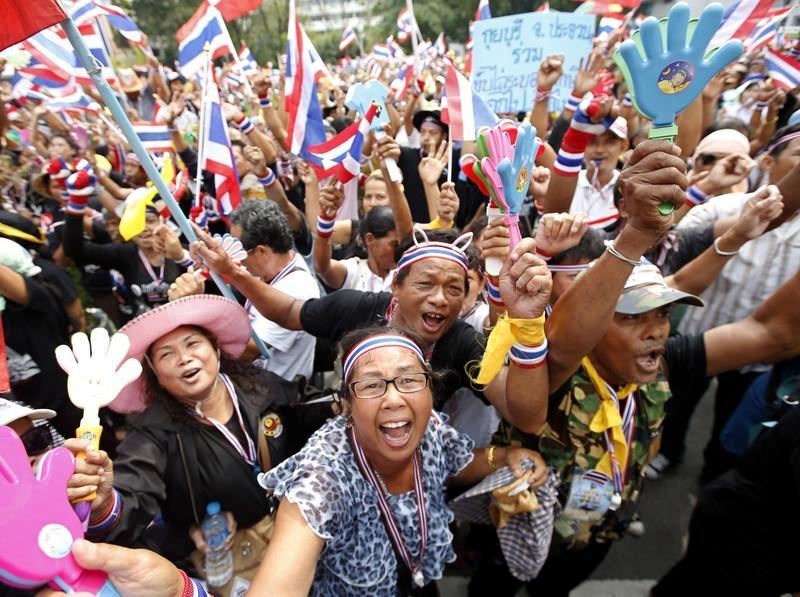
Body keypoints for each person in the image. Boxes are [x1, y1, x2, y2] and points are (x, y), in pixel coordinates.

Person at [470, 140, 800, 596]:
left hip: (595, 534)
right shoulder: (553, 364)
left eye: (663, 315)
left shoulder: (665, 364)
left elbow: (771, 333)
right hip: (517, 524)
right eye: (631, 317)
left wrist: (737, 237)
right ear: (594, 320)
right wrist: (634, 236)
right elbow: (565, 342)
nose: (655, 332)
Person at [251, 327, 549, 595]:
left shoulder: (430, 428)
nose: (394, 399)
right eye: (371, 385)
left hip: (417, 580)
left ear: (430, 390)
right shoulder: (324, 478)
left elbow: (448, 462)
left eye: (409, 380)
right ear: (346, 405)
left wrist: (504, 456)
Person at [189, 223, 554, 437]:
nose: (441, 299)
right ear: (396, 287)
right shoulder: (359, 307)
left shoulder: (461, 341)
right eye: (426, 285)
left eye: (454, 289)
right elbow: (289, 311)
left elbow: (526, 416)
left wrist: (529, 328)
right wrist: (234, 273)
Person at [73, 295, 329, 571]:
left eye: (193, 343)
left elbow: (307, 406)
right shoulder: (152, 430)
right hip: (237, 563)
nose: (184, 358)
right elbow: (134, 489)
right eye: (166, 354)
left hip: (300, 536)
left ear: (216, 350)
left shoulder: (257, 385)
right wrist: (104, 504)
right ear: (155, 374)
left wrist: (348, 402)